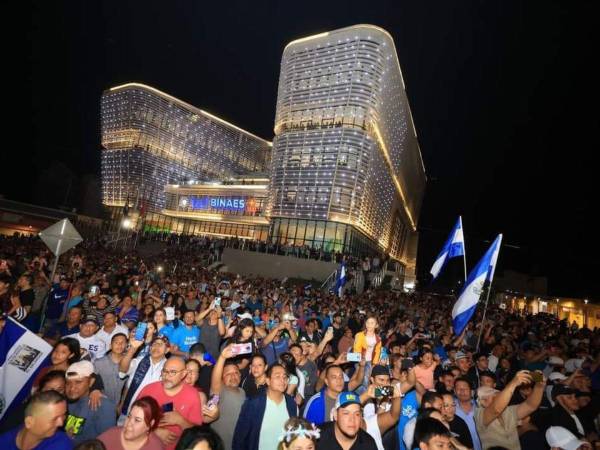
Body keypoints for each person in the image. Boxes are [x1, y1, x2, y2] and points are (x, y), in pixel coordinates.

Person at [136, 356, 203, 450]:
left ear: (183, 374)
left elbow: (198, 433)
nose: (167, 376)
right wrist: (153, 431)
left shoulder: (193, 395)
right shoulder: (148, 390)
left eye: (173, 372)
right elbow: (133, 420)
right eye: (164, 371)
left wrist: (180, 421)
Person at [233, 363, 299, 450]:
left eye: (285, 377)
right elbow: (240, 438)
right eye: (277, 376)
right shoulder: (253, 404)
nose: (282, 380)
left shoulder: (291, 403)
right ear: (268, 381)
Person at [475, 370, 546, 450]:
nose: (499, 398)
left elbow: (530, 405)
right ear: (483, 401)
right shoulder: (479, 414)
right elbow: (495, 409)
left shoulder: (508, 411)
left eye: (498, 395)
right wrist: (513, 383)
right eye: (495, 396)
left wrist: (539, 386)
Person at [118, 334, 169, 423]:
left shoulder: (170, 367)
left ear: (167, 349)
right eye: (154, 344)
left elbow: (172, 394)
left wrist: (164, 417)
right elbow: (122, 370)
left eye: (160, 344)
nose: (156, 346)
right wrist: (132, 349)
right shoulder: (140, 360)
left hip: (153, 417)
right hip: (130, 411)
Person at [64, 360, 116, 443]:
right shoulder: (69, 402)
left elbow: (107, 442)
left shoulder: (103, 405)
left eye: (78, 382)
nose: (72, 388)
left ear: (91, 382)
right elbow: (71, 434)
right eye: (68, 383)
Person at [0, 390, 73, 450]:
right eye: (54, 418)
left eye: (63, 415)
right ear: (29, 422)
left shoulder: (60, 443)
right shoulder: (3, 443)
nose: (61, 423)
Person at [210, 344, 246, 450]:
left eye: (235, 373)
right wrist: (222, 357)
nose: (233, 376)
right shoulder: (220, 391)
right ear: (221, 379)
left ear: (240, 375)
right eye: (228, 374)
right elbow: (215, 384)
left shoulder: (243, 392)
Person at [97, 396, 164, 450]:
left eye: (137, 420)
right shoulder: (110, 436)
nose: (128, 423)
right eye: (129, 416)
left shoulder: (156, 447)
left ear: (150, 424)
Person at [93, 332, 128, 407]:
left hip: (119, 405)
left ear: (126, 346)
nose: (119, 345)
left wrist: (121, 404)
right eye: (116, 342)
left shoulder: (130, 364)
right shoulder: (98, 362)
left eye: (122, 342)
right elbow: (92, 381)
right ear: (110, 345)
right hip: (100, 403)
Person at [454, 376, 482, 450]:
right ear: (454, 391)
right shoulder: (450, 408)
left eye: (465, 389)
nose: (462, 391)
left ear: (472, 391)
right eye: (458, 389)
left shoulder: (480, 407)